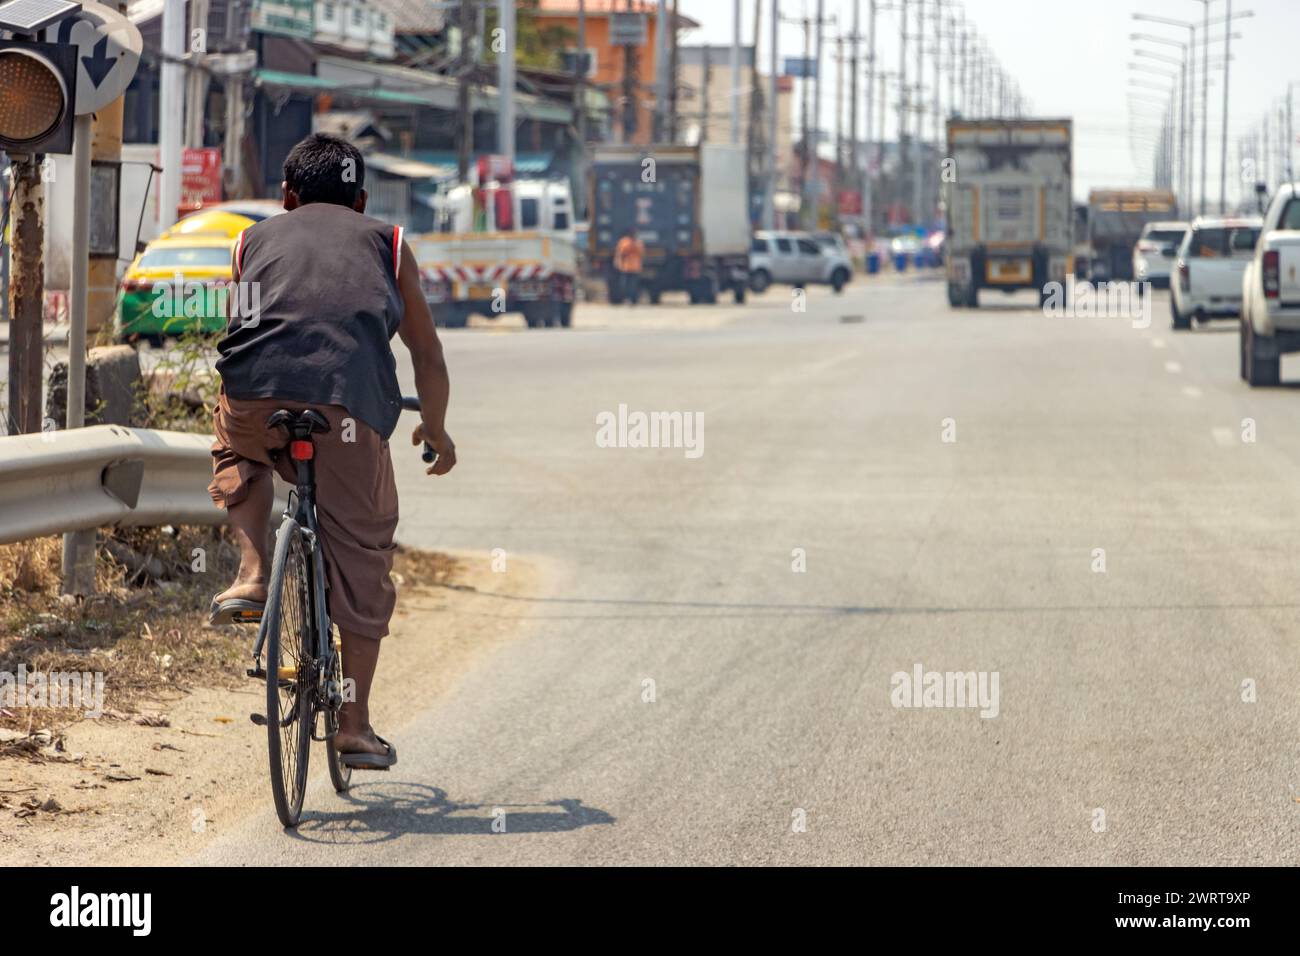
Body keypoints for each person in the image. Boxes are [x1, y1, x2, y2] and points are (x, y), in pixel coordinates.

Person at [207, 133, 456, 770]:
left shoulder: (250, 240)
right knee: (364, 556)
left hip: (255, 401)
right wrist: (435, 428)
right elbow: (425, 353)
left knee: (237, 449)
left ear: (287, 198)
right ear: (363, 199)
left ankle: (254, 573)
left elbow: (245, 333)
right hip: (347, 414)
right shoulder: (388, 242)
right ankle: (354, 724)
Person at [613, 228, 645, 305]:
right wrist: (618, 263)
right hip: (626, 268)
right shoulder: (624, 242)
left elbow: (641, 254)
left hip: (635, 268)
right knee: (624, 285)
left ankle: (634, 299)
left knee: (634, 286)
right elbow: (620, 253)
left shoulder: (638, 242)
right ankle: (626, 299)